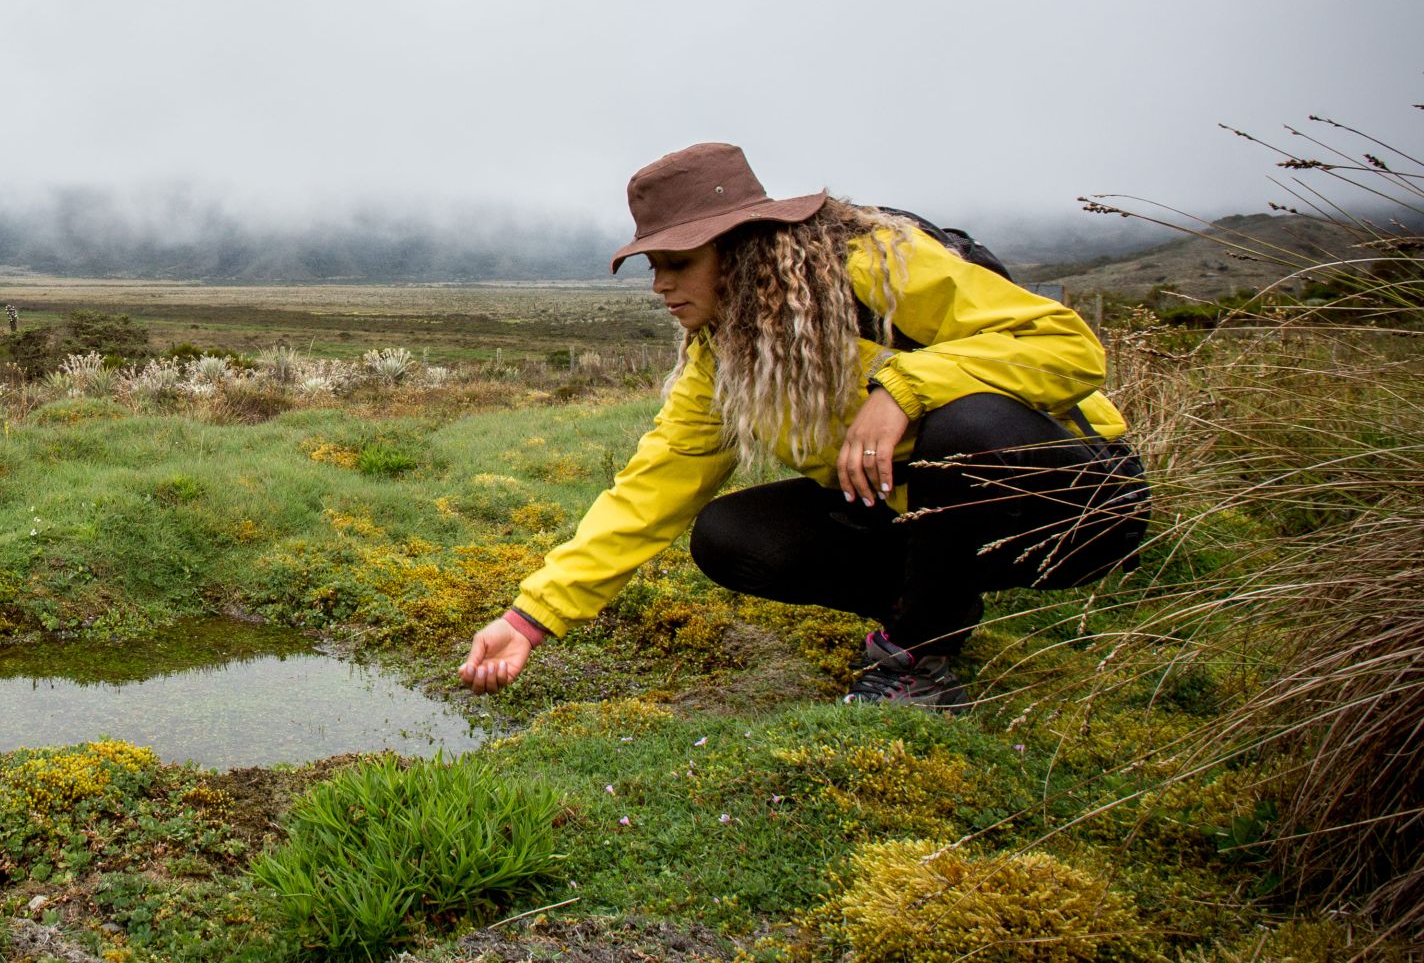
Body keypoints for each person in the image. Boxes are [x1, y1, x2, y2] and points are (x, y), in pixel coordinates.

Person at [457, 142, 1148, 710]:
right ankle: (932, 616)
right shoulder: (720, 356)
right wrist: (529, 619)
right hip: (928, 519)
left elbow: (1070, 348)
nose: (660, 285)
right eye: (654, 267)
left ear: (740, 248)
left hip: (1076, 504)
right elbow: (649, 491)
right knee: (728, 536)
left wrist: (905, 389)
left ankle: (916, 660)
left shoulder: (876, 266)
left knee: (965, 425)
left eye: (678, 264)